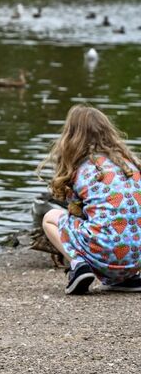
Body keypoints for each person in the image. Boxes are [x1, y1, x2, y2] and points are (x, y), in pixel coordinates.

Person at [38, 103, 141, 295]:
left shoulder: (82, 167)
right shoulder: (130, 164)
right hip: (136, 258)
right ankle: (128, 278)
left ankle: (79, 266)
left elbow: (75, 210)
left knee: (50, 217)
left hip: (104, 253)